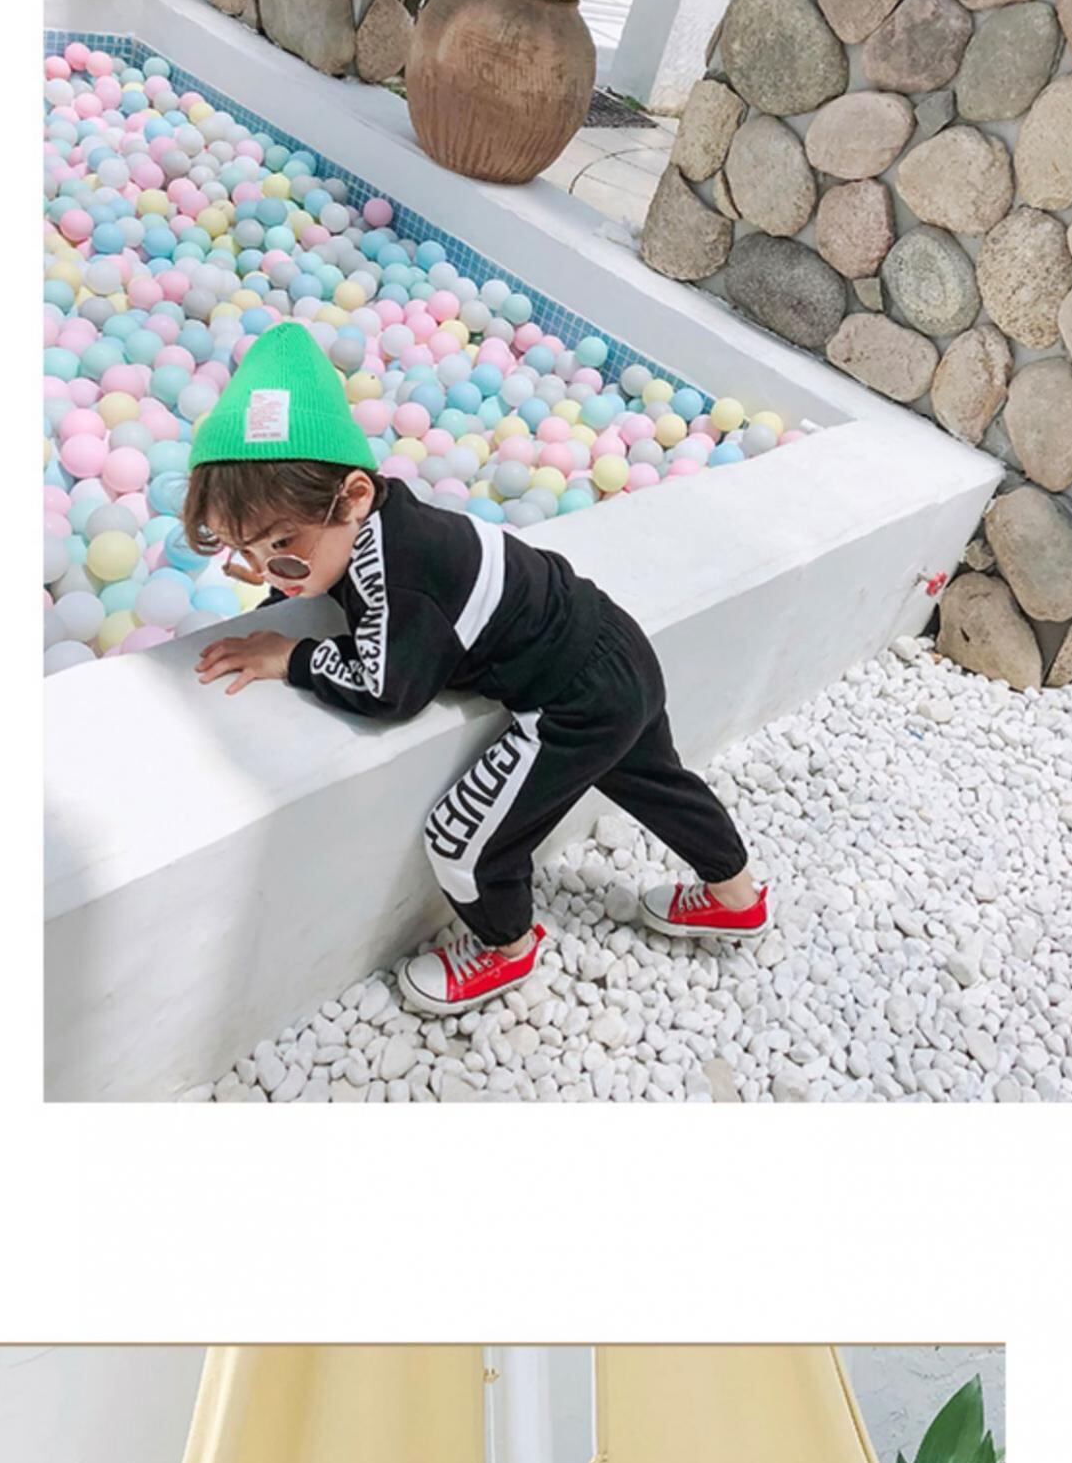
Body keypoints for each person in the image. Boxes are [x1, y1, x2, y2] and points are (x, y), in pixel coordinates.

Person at [185, 322, 769, 1015]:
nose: (272, 574)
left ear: (355, 496)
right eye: (245, 556)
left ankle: (505, 947)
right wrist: (291, 577)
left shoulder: (398, 576)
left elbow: (387, 690)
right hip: (614, 641)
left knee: (460, 839)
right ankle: (736, 895)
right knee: (656, 782)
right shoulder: (388, 521)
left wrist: (292, 656)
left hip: (572, 701)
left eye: (284, 550)